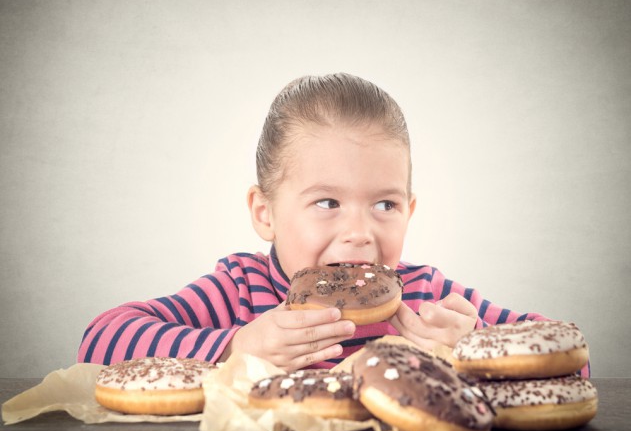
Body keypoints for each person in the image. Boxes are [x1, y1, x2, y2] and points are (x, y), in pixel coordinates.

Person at [78, 73, 580, 375]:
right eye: (327, 202)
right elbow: (100, 340)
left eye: (385, 205)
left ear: (409, 211)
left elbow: (571, 354)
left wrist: (476, 347)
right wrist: (234, 347)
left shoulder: (425, 298)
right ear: (265, 213)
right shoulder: (240, 291)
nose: (359, 232)